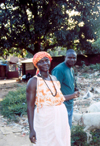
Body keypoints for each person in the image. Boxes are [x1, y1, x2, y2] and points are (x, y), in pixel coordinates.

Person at [26, 51, 79, 146]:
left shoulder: (54, 78)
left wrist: (73, 95)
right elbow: (30, 106)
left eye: (46, 60)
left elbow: (58, 98)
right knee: (45, 142)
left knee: (60, 141)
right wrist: (31, 130)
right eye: (41, 62)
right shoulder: (33, 81)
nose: (45, 63)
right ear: (36, 64)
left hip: (60, 115)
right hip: (44, 117)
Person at [52, 49, 79, 128]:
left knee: (67, 131)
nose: (72, 59)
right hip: (61, 108)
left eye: (74, 58)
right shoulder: (58, 70)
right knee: (61, 132)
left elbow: (71, 84)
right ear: (65, 57)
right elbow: (54, 93)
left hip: (70, 106)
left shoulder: (71, 69)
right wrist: (73, 95)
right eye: (69, 57)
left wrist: (75, 89)